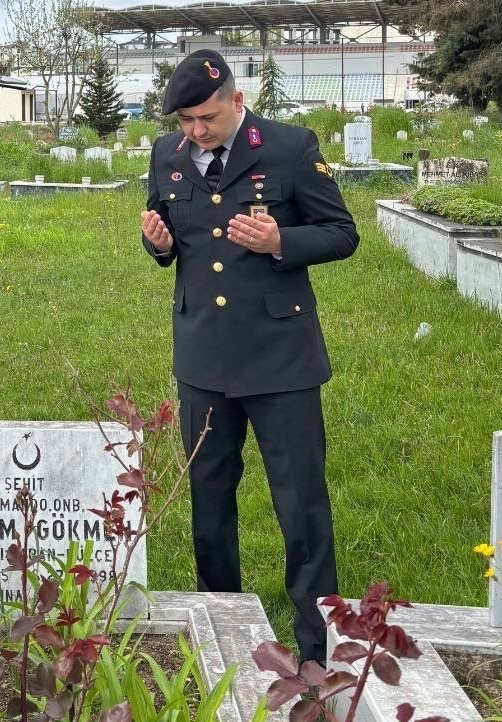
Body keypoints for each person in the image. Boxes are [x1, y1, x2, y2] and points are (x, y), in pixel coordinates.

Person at [140, 50, 359, 666]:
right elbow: (172, 238)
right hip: (203, 357)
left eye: (206, 118)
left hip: (280, 358)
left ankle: (317, 645)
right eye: (185, 121)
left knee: (300, 504)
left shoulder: (289, 148)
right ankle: (222, 628)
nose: (196, 132)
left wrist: (281, 239)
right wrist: (156, 245)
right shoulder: (167, 156)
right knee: (209, 500)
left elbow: (343, 233)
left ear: (237, 102)